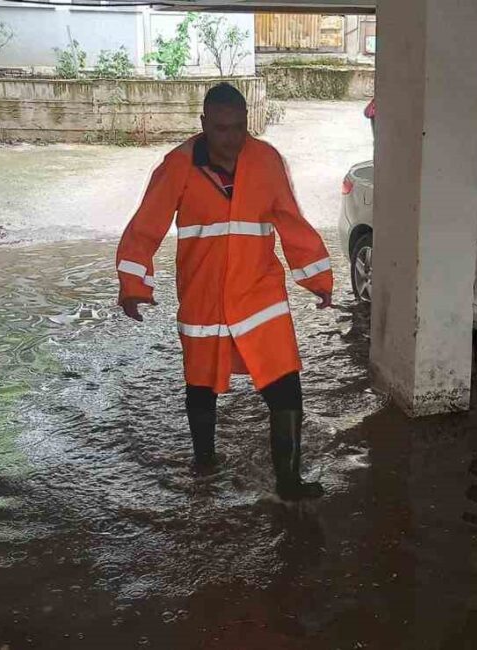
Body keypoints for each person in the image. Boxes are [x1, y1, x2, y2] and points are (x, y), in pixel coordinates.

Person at [116, 83, 332, 501]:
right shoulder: (177, 166)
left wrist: (318, 279)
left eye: (238, 128)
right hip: (204, 296)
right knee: (201, 384)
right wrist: (132, 285)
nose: (230, 139)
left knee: (286, 383)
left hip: (260, 297)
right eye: (220, 129)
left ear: (247, 123)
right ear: (202, 125)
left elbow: (291, 220)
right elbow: (145, 227)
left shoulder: (267, 161)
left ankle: (289, 482)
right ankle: (205, 462)